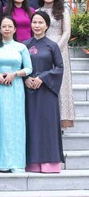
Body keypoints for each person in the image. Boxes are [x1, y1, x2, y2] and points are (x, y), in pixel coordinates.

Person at [0, 16, 32, 172]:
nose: (6, 29)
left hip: (16, 88)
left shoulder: (21, 47)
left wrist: (15, 74)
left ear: (15, 29)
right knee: (0, 122)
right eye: (3, 26)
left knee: (16, 123)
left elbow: (29, 68)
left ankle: (15, 162)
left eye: (9, 26)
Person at [25, 12, 64, 173]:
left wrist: (43, 77)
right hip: (29, 92)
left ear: (46, 25)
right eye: (34, 22)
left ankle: (50, 164)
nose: (37, 25)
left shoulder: (52, 46)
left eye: (40, 22)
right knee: (31, 125)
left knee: (48, 126)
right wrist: (26, 78)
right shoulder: (24, 45)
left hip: (47, 92)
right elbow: (18, 66)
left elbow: (60, 67)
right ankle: (32, 163)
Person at [38, 0, 74, 128]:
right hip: (42, 51)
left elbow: (66, 32)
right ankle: (47, 118)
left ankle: (62, 121)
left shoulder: (63, 10)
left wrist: (55, 48)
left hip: (59, 50)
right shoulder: (39, 11)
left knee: (61, 84)